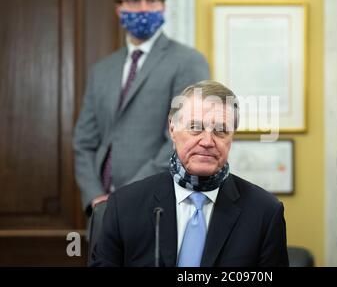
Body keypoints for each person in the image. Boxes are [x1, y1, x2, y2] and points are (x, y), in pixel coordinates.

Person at [90, 80, 289, 267]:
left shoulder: (265, 212)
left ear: (232, 137)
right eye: (195, 127)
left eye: (221, 130)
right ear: (172, 129)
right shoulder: (124, 205)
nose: (207, 141)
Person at [73, 0, 209, 215]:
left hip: (158, 204)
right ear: (119, 9)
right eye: (134, 0)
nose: (144, 8)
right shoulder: (102, 70)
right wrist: (95, 197)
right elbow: (84, 142)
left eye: (152, 0)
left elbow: (184, 138)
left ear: (163, 6)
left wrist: (126, 195)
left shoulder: (188, 62)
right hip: (101, 209)